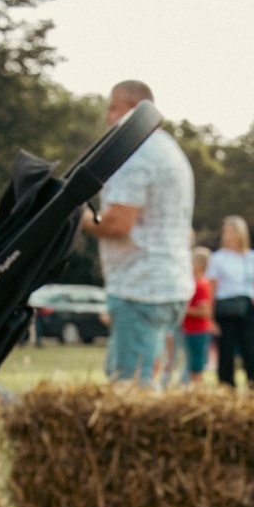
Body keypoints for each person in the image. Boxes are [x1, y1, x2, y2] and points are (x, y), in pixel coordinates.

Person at [80, 80, 195, 388]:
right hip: (169, 283)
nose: (108, 116)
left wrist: (82, 218)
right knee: (152, 380)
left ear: (132, 109)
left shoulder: (133, 154)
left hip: (140, 286)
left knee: (129, 388)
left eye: (112, 107)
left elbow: (118, 223)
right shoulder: (168, 149)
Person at [206, 215, 254, 390]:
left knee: (251, 351)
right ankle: (227, 389)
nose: (229, 234)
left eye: (232, 231)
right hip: (225, 308)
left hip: (248, 307)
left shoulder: (253, 258)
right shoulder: (217, 259)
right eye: (226, 231)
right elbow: (212, 290)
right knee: (226, 353)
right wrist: (210, 319)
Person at [179, 246, 215, 385]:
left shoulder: (201, 285)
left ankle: (198, 391)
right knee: (191, 364)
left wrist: (183, 310)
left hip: (198, 331)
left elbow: (204, 311)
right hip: (190, 330)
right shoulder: (193, 283)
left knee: (196, 366)